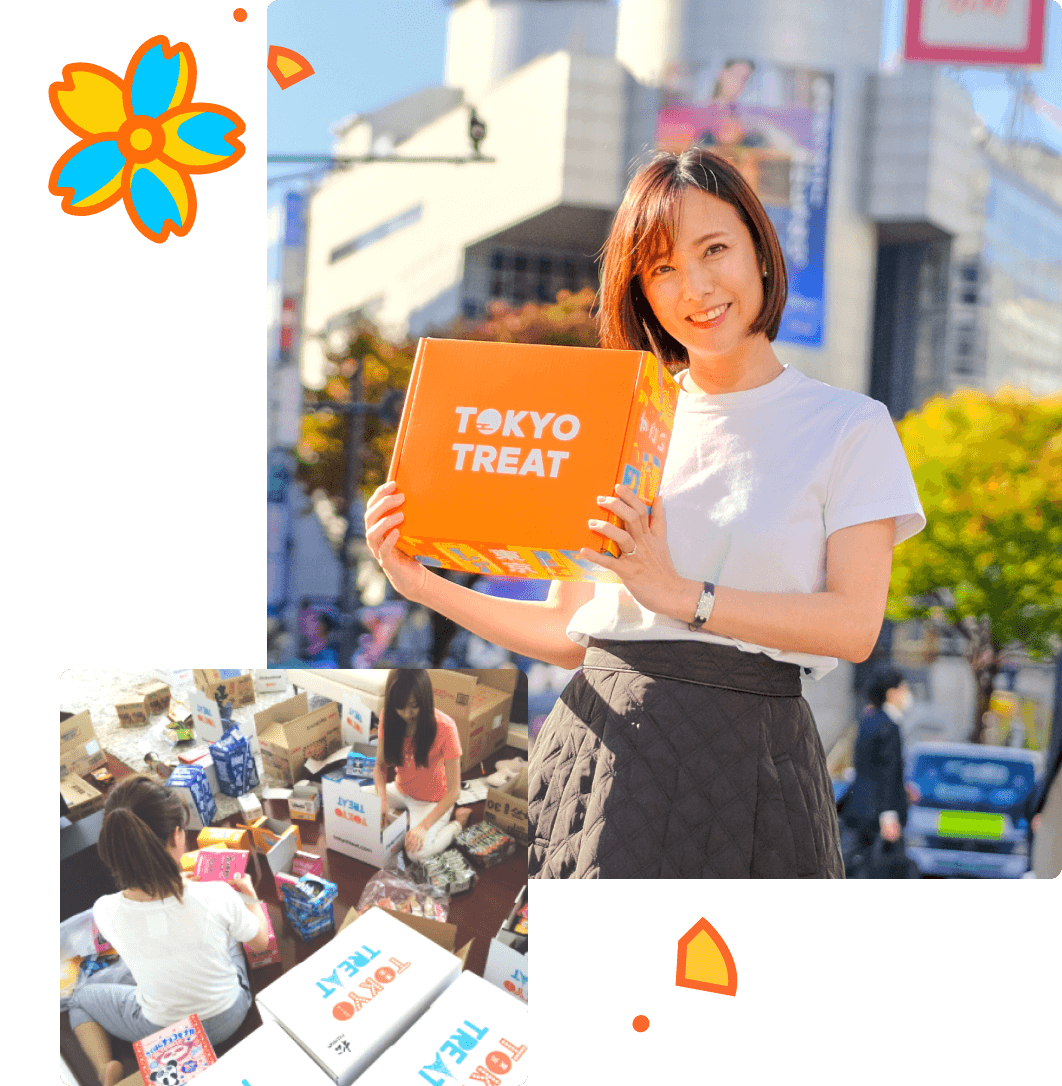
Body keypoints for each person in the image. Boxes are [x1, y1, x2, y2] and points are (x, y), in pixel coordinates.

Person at [365, 146, 926, 878]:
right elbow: (570, 633)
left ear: (761, 252)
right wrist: (420, 585)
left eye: (714, 249)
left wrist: (682, 596)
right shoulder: (619, 418)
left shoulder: (848, 425)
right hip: (600, 754)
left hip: (754, 755)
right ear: (642, 292)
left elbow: (853, 625)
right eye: (661, 268)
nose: (695, 285)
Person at [68, 775, 265, 1085]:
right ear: (177, 836)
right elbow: (262, 943)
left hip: (162, 1030)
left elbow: (157, 921)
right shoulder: (215, 895)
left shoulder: (104, 910)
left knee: (80, 999)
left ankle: (105, 1065)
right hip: (230, 1015)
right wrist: (249, 896)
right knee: (232, 936)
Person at [373, 668, 470, 860]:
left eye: (414, 706)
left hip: (432, 801)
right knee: (356, 800)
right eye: (400, 707)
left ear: (425, 700)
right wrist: (382, 800)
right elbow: (379, 766)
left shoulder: (446, 727)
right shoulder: (389, 716)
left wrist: (423, 827)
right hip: (401, 789)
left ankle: (458, 822)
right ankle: (406, 818)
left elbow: (454, 791)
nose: (407, 714)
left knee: (417, 855)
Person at [840, 667, 913, 873]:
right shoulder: (890, 726)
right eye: (904, 688)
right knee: (878, 868)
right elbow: (886, 773)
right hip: (878, 814)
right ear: (891, 693)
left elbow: (868, 767)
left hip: (859, 806)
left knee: (853, 864)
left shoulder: (868, 720)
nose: (907, 693)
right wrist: (889, 817)